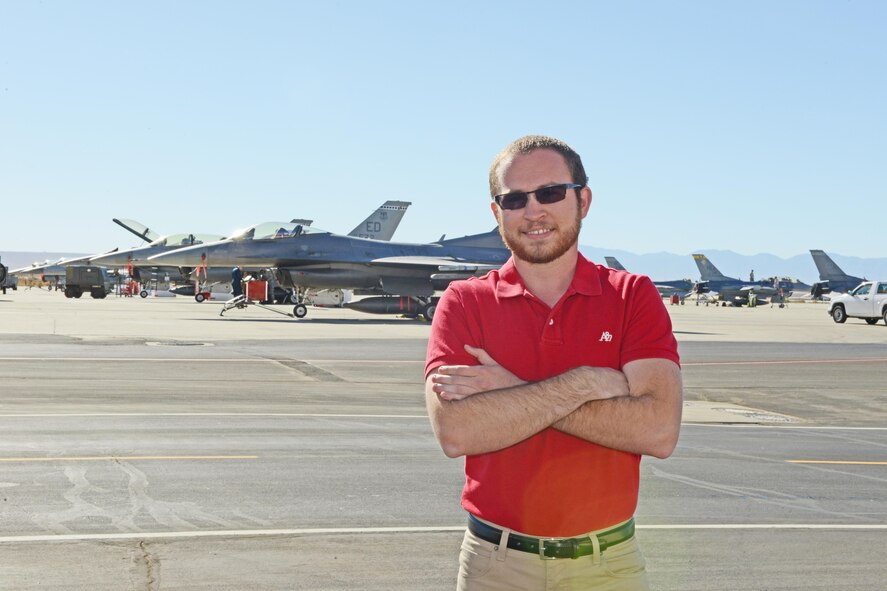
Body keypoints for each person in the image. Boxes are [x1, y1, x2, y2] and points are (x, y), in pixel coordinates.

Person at [424, 135, 683, 590]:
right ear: (496, 212)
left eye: (550, 193)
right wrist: (585, 382)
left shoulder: (631, 296)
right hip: (496, 567)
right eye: (514, 199)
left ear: (583, 199)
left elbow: (658, 431)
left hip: (608, 567)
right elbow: (457, 432)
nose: (533, 211)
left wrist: (510, 389)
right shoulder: (464, 302)